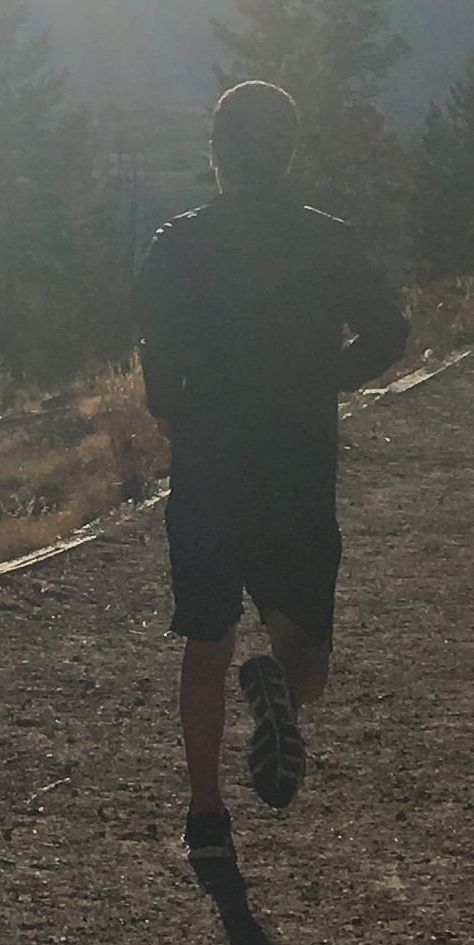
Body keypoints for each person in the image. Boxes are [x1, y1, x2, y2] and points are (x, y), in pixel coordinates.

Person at [131, 80, 410, 857]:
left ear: (216, 154)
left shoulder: (177, 244)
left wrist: (176, 409)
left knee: (206, 639)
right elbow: (391, 330)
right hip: (297, 467)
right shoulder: (329, 240)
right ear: (286, 154)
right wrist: (329, 380)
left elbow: (156, 354)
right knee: (303, 644)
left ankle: (206, 815)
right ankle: (279, 693)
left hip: (210, 470)